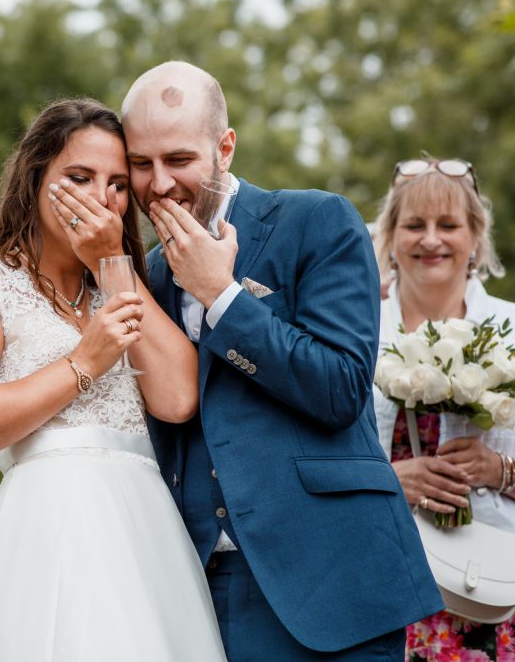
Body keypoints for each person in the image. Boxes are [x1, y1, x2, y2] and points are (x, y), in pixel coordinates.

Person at [124, 60, 442, 660]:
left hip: (329, 580)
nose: (159, 185)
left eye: (179, 160)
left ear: (226, 147)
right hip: (193, 592)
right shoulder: (149, 275)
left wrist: (223, 297)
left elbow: (341, 389)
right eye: (141, 164)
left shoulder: (317, 221)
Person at [0, 98, 226, 660]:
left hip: (145, 541)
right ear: (35, 179)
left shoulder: (126, 284)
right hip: (44, 533)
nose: (98, 198)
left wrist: (113, 264)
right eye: (78, 178)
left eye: (115, 184)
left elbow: (180, 399)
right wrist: (84, 363)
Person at [371, 157, 515, 659]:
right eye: (414, 225)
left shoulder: (511, 329)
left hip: (491, 585)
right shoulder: (358, 330)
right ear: (392, 235)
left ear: (475, 236)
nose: (430, 239)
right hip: (381, 576)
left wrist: (500, 469)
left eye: (448, 225)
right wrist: (389, 478)